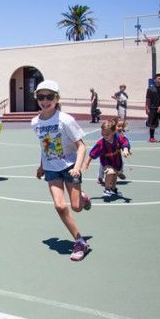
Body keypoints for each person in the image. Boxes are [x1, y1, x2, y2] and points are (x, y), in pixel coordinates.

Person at [31, 80, 91, 262]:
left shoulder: (66, 120)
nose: (45, 100)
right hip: (51, 170)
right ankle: (80, 241)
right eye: (41, 97)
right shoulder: (35, 122)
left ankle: (83, 198)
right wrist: (42, 166)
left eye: (49, 96)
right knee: (59, 205)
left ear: (57, 98)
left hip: (70, 167)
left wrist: (77, 168)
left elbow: (81, 147)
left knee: (76, 207)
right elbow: (44, 146)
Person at [83, 119, 131, 199]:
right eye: (103, 134)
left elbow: (124, 142)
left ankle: (113, 189)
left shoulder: (118, 138)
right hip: (106, 162)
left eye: (107, 134)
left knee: (115, 175)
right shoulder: (101, 143)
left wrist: (125, 149)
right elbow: (93, 153)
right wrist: (87, 163)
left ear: (113, 132)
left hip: (116, 161)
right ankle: (106, 189)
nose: (105, 136)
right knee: (110, 172)